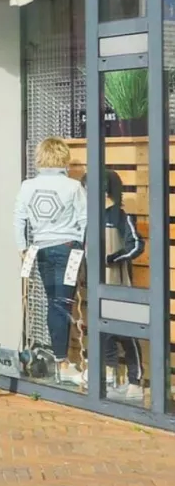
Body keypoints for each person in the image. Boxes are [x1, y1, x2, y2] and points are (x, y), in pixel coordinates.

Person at [13, 136, 87, 385]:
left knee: (53, 303)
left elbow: (19, 219)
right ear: (63, 158)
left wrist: (23, 249)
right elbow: (85, 220)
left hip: (41, 250)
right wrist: (85, 250)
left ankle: (60, 360)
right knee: (62, 305)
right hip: (68, 249)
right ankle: (62, 363)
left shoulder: (27, 186)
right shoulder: (74, 187)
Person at [103, 169, 145, 399]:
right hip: (99, 285)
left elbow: (137, 245)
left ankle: (135, 382)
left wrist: (114, 258)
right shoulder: (92, 216)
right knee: (105, 332)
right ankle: (111, 376)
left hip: (119, 283)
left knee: (127, 332)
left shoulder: (120, 217)